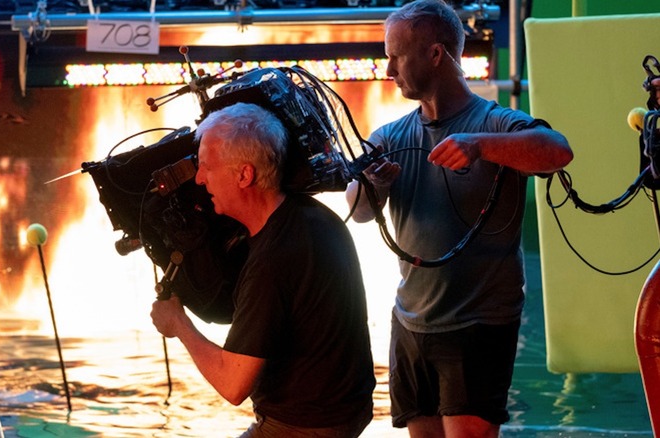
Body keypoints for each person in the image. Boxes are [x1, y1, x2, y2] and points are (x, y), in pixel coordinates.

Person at [345, 1, 573, 437]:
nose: (388, 69)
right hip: (410, 322)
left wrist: (480, 147)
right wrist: (372, 184)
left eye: (397, 56)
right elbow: (356, 213)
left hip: (479, 324)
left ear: (436, 54)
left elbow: (557, 150)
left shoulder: (494, 122)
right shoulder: (390, 137)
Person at [151, 102, 376, 437]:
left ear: (244, 175)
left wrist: (178, 323)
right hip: (345, 413)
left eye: (207, 167)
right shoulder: (314, 217)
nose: (199, 178)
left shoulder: (273, 260)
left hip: (304, 426)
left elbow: (233, 384)